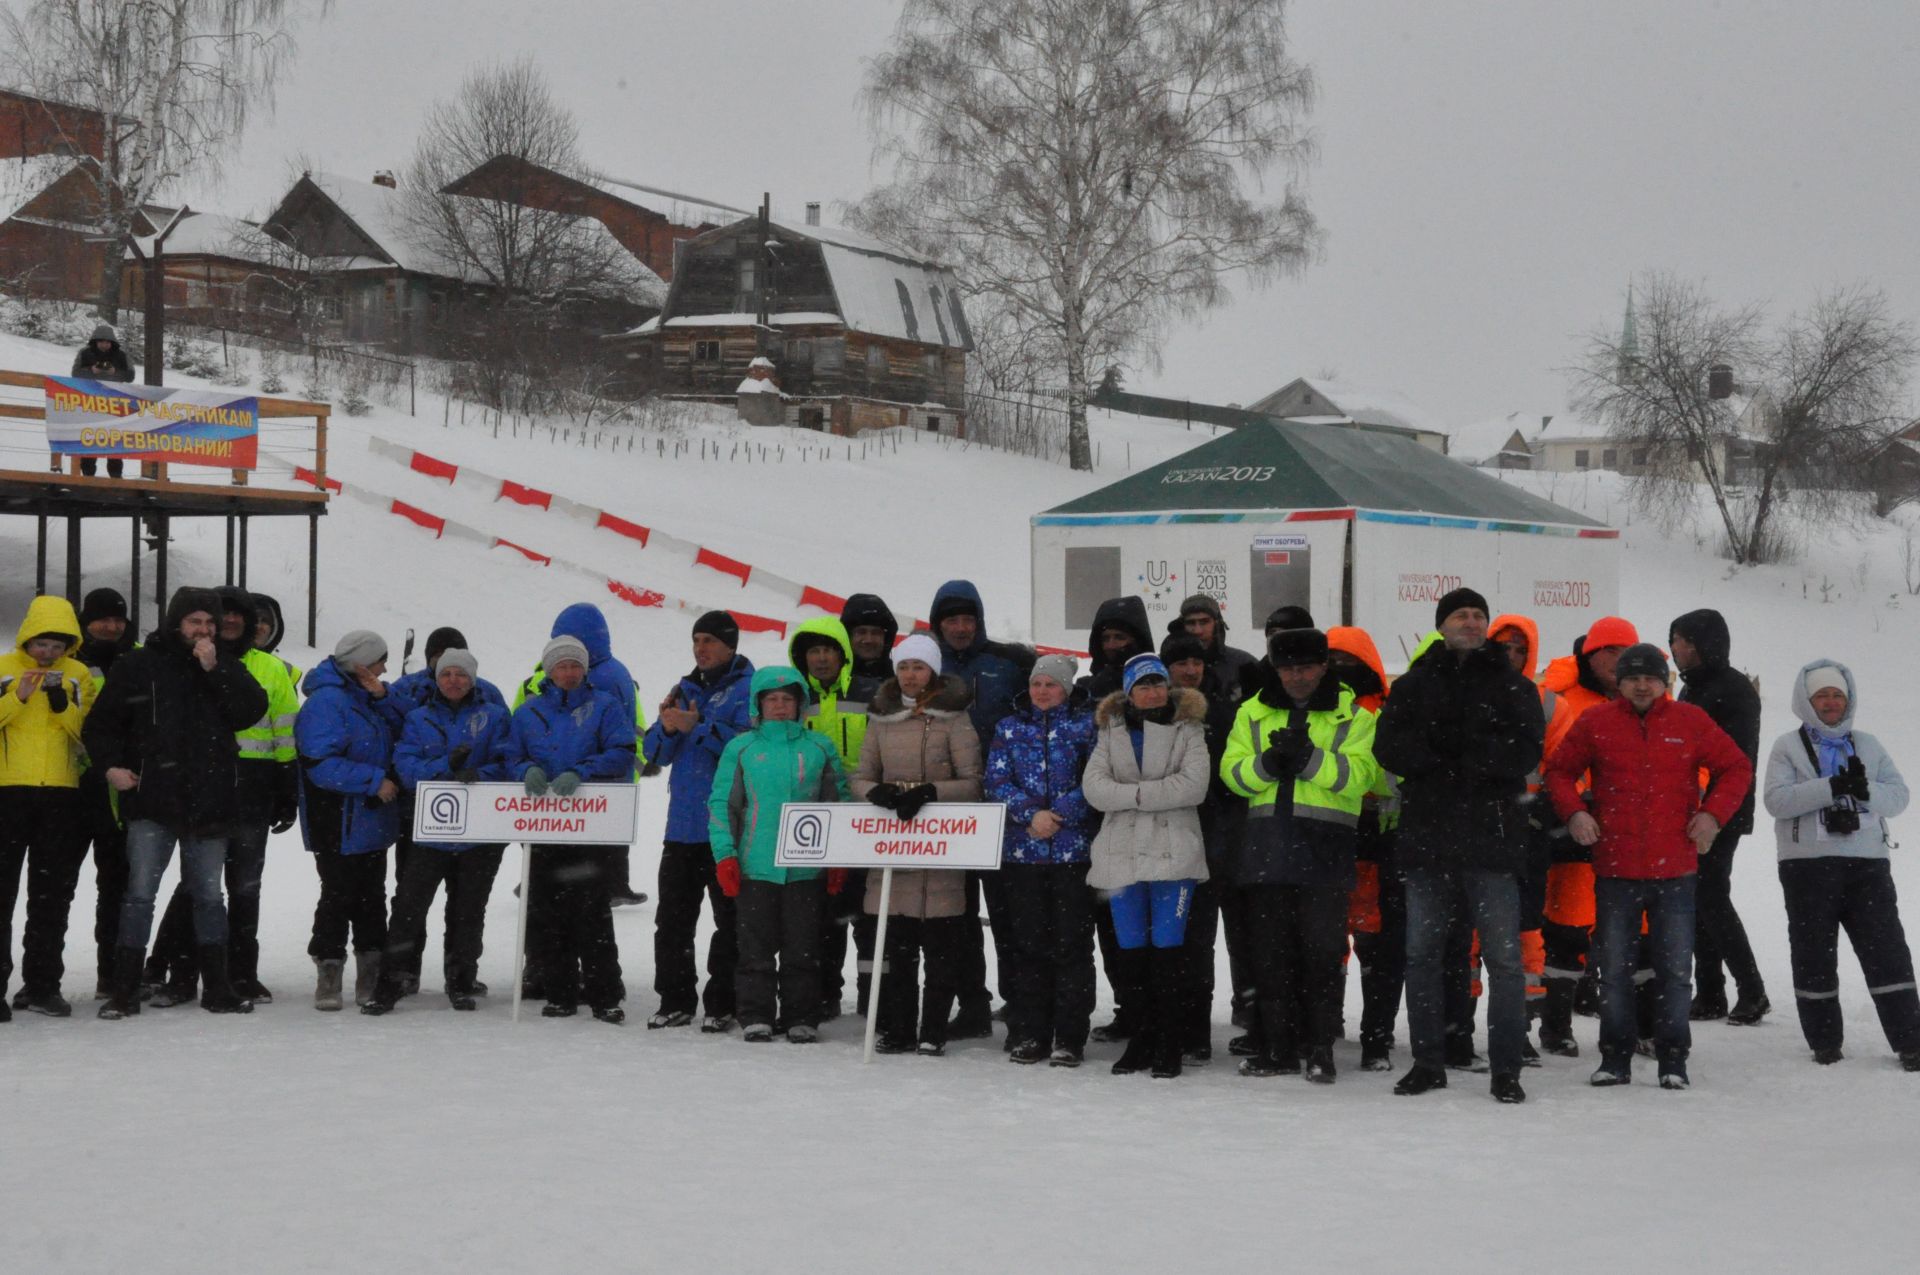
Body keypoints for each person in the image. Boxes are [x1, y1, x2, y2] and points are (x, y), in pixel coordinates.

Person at [1545, 643, 1750, 1090]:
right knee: (1615, 972)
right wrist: (1575, 812)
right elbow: (1559, 772)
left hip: (1676, 870)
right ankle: (1614, 1058)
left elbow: (1735, 767)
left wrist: (1712, 814)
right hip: (1616, 870)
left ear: (1665, 682)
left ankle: (1673, 1057)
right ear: (1619, 683)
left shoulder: (1689, 721)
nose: (1642, 685)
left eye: (1651, 677)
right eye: (1633, 677)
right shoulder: (1596, 722)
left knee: (1676, 973)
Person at [1374, 590, 1543, 1103]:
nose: (1471, 622)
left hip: (1492, 840)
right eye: (1460, 615)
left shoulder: (1513, 685)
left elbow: (1525, 750)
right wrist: (1448, 755)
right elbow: (1389, 747)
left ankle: (1506, 1069)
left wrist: (1459, 754)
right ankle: (1428, 1062)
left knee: (1504, 961)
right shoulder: (1416, 683)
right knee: (1421, 955)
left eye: (1478, 615)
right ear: (1441, 625)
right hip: (1428, 839)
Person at [84, 587, 266, 1018]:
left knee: (208, 896)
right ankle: (125, 990)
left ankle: (217, 987)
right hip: (152, 799)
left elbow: (250, 711)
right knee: (139, 895)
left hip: (211, 800)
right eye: (194, 622)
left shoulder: (225, 664)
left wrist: (216, 669)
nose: (203, 630)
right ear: (176, 623)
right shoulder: (139, 665)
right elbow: (101, 725)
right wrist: (110, 766)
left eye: (209, 623)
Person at [1222, 629, 1379, 1086]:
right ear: (1275, 668)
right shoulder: (1251, 711)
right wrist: (1268, 764)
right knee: (1271, 956)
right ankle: (1278, 1047)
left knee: (1323, 954)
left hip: (1324, 850)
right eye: (1288, 667)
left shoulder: (1355, 714)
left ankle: (1320, 1047)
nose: (1297, 675)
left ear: (1324, 666)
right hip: (1267, 847)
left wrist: (1309, 759)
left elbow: (1361, 775)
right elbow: (1232, 773)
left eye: (1306, 666)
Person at [1763, 661, 1920, 1071]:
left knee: (1887, 951)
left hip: (1867, 864)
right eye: (1822, 696)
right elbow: (1776, 801)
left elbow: (1900, 796)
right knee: (1813, 952)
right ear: (1806, 701)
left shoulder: (1868, 744)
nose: (1831, 703)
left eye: (1837, 695)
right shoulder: (1787, 746)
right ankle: (1824, 1041)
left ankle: (1911, 1041)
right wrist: (1830, 787)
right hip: (1807, 867)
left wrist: (1864, 790)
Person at [145, 588, 298, 1006]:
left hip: (253, 786)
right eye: (222, 615)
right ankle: (177, 971)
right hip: (204, 785)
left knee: (245, 885)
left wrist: (287, 786)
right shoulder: (188, 661)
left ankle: (242, 972)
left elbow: (284, 730)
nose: (232, 622)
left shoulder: (270, 667)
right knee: (199, 886)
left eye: (242, 617)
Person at [851, 633, 983, 1055]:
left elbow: (973, 782)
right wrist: (877, 793)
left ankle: (933, 1030)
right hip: (893, 845)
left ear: (933, 671)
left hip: (941, 847)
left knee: (942, 952)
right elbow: (860, 775)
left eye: (919, 667)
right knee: (897, 952)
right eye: (904, 667)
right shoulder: (880, 718)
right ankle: (900, 1027)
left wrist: (929, 792)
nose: (910, 675)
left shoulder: (955, 719)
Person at [363, 649, 512, 1014]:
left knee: (468, 910)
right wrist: (446, 765)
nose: (453, 681)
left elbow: (509, 761)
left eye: (461, 675)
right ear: (436, 678)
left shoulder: (493, 716)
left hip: (479, 833)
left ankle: (461, 981)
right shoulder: (418, 718)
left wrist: (480, 774)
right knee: (409, 908)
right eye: (447, 675)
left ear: (473, 679)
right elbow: (407, 767)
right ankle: (391, 982)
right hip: (430, 830)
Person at [1086, 653, 1213, 1079]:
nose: (1152, 691)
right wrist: (1151, 794)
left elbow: (1194, 786)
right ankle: (1141, 1039)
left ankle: (1169, 1042)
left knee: (1169, 953)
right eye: (1142, 685)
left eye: (1158, 682)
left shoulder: (1188, 727)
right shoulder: (1111, 730)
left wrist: (1133, 795)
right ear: (1129, 691)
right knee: (1132, 956)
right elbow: (1094, 788)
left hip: (1173, 854)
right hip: (1121, 857)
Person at [708, 666, 850, 1043]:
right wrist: (726, 856)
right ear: (758, 704)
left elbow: (838, 804)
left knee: (803, 947)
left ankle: (801, 1014)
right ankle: (755, 1014)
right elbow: (724, 805)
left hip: (807, 869)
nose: (780, 706)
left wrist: (838, 858)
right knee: (754, 948)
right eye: (772, 699)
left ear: (800, 703)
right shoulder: (741, 748)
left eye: (788, 699)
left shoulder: (819, 748)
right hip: (756, 866)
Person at [506, 635, 638, 1022]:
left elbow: (622, 752)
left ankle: (604, 994)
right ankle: (560, 992)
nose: (568, 673)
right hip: (545, 828)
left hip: (591, 827)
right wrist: (524, 770)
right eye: (561, 666)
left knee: (593, 912)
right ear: (549, 670)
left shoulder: (605, 706)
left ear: (585, 669)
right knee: (549, 912)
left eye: (575, 665)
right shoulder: (529, 713)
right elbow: (510, 755)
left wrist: (582, 771)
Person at [928, 579, 1035, 1040]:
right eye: (951, 619)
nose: (960, 627)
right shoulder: (924, 666)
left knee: (1010, 911)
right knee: (957, 914)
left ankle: (1019, 1002)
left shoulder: (1010, 661)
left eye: (967, 618)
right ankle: (971, 1004)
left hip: (1003, 805)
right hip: (948, 806)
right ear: (938, 624)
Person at [640, 610, 754, 1030]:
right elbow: (654, 754)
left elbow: (748, 748)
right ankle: (674, 999)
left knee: (731, 922)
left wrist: (699, 726)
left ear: (730, 645)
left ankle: (723, 1003)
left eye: (709, 640)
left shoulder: (749, 689)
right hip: (683, 828)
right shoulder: (683, 687)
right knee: (672, 920)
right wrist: (669, 729)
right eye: (696, 640)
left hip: (728, 828)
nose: (700, 649)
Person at [985, 653, 1099, 1066]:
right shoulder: (1009, 728)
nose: (1043, 691)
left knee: (1071, 947)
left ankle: (1069, 1035)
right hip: (1023, 854)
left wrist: (1060, 815)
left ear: (1066, 688)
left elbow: (1096, 779)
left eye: (1051, 684)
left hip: (1073, 854)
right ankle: (1029, 1031)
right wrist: (1030, 814)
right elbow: (996, 781)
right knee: (1027, 947)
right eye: (1037, 683)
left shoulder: (1087, 725)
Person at [1536, 615, 1639, 1055]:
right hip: (1566, 832)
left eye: (1623, 653)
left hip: (1627, 837)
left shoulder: (1647, 698)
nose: (1616, 662)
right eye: (1608, 653)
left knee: (1622, 935)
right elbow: (1553, 764)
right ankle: (1555, 1027)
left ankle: (1636, 1026)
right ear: (1590, 655)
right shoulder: (1561, 699)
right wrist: (1581, 801)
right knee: (1562, 932)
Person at [297, 630, 409, 1010]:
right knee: (338, 896)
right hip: (338, 819)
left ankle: (370, 972)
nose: (386, 667)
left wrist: (381, 694)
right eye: (380, 660)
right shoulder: (327, 702)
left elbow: (406, 725)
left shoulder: (367, 696)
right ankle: (329, 972)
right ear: (360, 663)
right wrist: (372, 781)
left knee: (372, 898)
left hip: (372, 821)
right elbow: (318, 762)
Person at [1669, 608, 1769, 1025]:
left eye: (1688, 641)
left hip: (1721, 810)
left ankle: (1752, 989)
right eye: (1676, 639)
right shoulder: (1691, 689)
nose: (1679, 648)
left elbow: (1736, 760)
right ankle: (1710, 991)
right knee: (1698, 898)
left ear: (1709, 644)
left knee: (1710, 896)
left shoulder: (1731, 688)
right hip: (1692, 809)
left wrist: (1715, 809)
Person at [515, 604, 647, 907]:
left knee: (577, 847)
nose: (569, 672)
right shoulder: (617, 671)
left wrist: (576, 770)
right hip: (605, 777)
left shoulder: (593, 682)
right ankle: (608, 887)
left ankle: (557, 886)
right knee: (602, 843)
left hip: (579, 780)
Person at [0, 596, 92, 1020]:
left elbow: (84, 732)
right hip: (7, 793)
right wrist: (17, 696)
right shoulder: (4, 668)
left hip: (60, 795)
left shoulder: (77, 675)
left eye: (57, 646)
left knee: (51, 896)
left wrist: (60, 702)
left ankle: (42, 985)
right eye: (41, 645)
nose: (48, 653)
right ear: (27, 639)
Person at [787, 617, 878, 1020]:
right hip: (813, 820)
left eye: (828, 650)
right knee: (822, 914)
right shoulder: (792, 697)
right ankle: (825, 993)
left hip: (862, 815)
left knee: (866, 912)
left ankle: (871, 993)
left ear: (843, 655)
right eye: (813, 651)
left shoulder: (869, 692)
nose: (821, 658)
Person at [1076, 595, 1155, 1042]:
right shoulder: (1086, 688)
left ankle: (1149, 1008)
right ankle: (1128, 1006)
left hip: (1139, 819)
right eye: (1105, 637)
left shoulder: (1150, 685)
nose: (1111, 644)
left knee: (1145, 926)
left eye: (1120, 636)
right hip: (1092, 821)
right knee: (1112, 928)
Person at [1326, 624, 1404, 1071]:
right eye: (1333, 662)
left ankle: (1377, 1035)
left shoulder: (1392, 712)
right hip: (1332, 843)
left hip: (1381, 847)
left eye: (1349, 662)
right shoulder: (1319, 713)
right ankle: (1329, 1022)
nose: (1342, 671)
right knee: (1328, 944)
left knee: (1379, 948)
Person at [74, 587, 137, 997]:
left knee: (117, 887)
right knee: (55, 889)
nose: (111, 626)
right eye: (102, 619)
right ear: (86, 621)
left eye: (117, 619)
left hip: (125, 789)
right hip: (74, 789)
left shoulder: (140, 659)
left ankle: (111, 973)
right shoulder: (69, 660)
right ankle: (41, 978)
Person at [70, 323, 131, 479]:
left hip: (114, 405)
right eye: (102, 341)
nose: (105, 344)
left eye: (108, 341)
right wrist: (91, 371)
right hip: (90, 405)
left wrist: (114, 372)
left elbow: (130, 375)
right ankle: (88, 475)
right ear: (95, 341)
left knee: (114, 440)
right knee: (90, 438)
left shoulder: (121, 356)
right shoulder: (85, 354)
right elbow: (75, 374)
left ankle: (116, 476)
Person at [1165, 593, 1258, 694]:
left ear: (1217, 623)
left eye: (1204, 622)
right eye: (1191, 623)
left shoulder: (1244, 664)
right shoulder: (1166, 663)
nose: (1197, 630)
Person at [840, 592, 901, 683]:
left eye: (876, 633)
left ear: (886, 638)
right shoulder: (828, 678)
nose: (868, 640)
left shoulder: (901, 681)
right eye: (861, 632)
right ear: (848, 636)